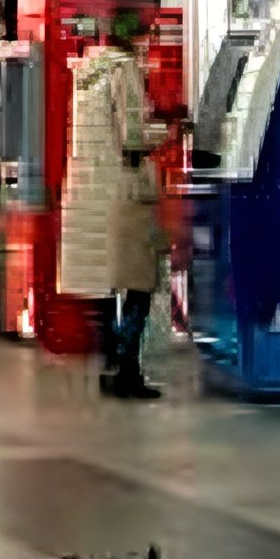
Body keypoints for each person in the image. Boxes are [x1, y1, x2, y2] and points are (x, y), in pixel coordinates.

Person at [100, 132, 166, 402]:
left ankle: (123, 372)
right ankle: (127, 375)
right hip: (138, 262)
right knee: (135, 316)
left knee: (130, 313)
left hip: (126, 263)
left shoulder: (120, 182)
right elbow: (153, 226)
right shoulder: (143, 184)